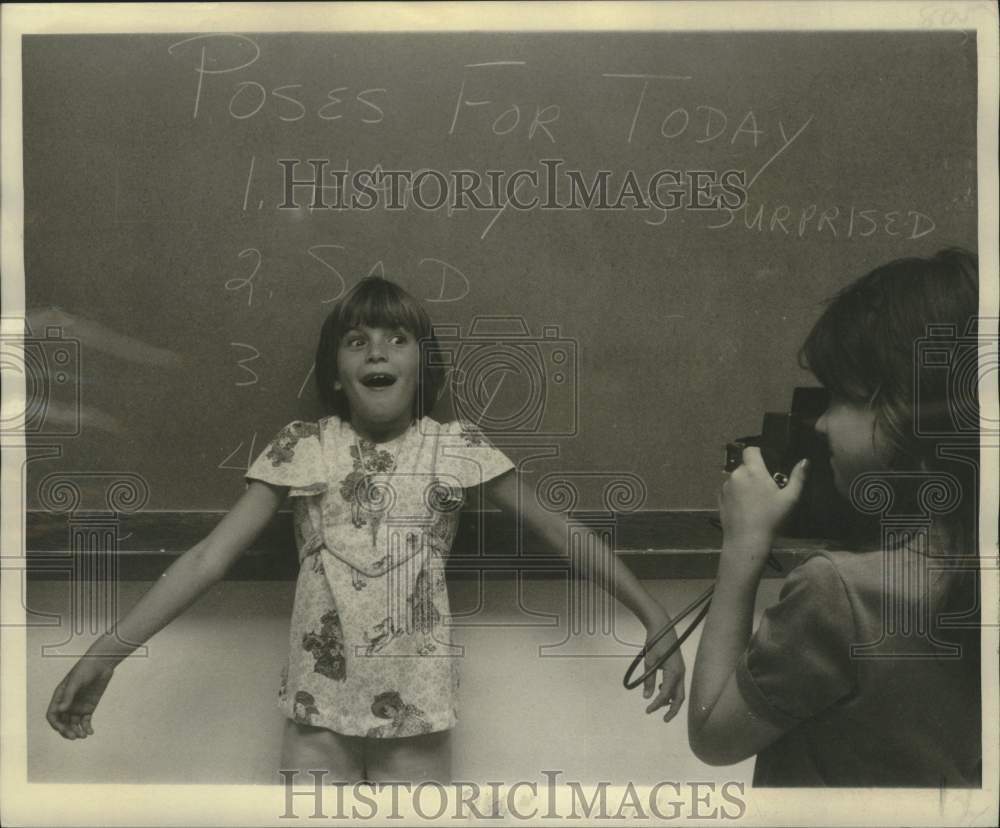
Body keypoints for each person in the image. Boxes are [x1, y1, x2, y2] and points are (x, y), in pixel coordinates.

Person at [46, 277, 686, 782]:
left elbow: (564, 531)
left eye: (397, 339)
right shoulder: (304, 447)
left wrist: (654, 615)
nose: (377, 350)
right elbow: (207, 557)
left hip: (418, 713)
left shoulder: (456, 446)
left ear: (422, 367)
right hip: (316, 710)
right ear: (335, 371)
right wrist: (105, 657)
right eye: (357, 341)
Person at [688, 248, 982, 786]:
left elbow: (713, 734)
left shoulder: (840, 593)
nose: (820, 424)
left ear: (904, 410)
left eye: (841, 399)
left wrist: (742, 547)